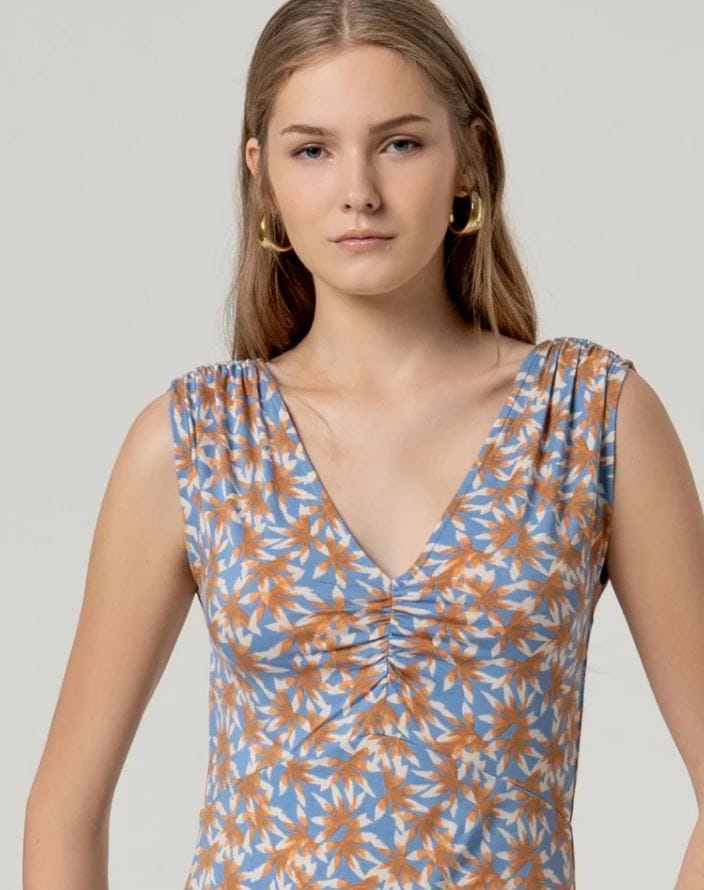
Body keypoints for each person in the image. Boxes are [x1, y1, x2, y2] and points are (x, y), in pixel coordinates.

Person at [24, 1, 704, 888]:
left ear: (469, 159)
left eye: (400, 143)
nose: (359, 192)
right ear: (263, 176)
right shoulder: (197, 442)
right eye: (313, 150)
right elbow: (64, 813)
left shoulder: (588, 421)